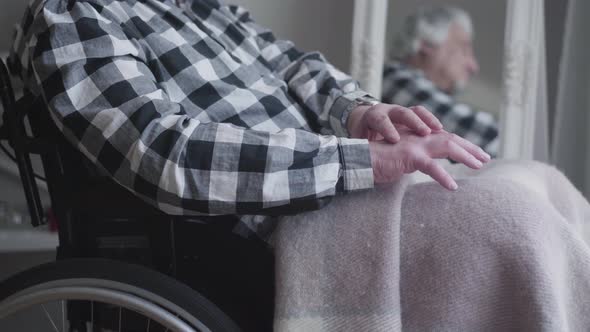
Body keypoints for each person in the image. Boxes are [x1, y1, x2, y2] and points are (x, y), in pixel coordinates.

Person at [8, 0, 590, 330]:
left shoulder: (195, 7)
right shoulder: (73, 16)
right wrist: (364, 161)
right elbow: (167, 155)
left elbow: (294, 64)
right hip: (281, 217)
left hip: (338, 175)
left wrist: (361, 111)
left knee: (536, 182)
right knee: (512, 219)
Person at [382, 5, 499, 157]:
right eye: (464, 49)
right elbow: (489, 135)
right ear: (427, 44)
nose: (473, 66)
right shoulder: (394, 77)